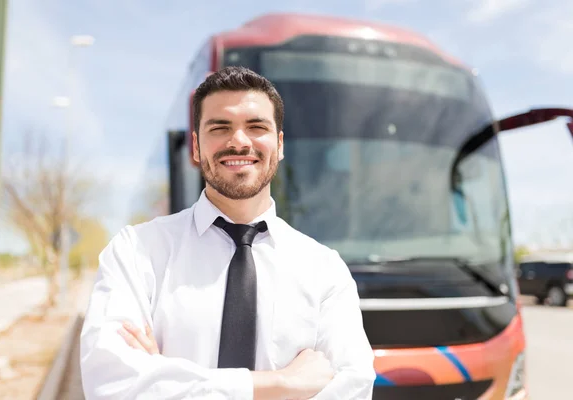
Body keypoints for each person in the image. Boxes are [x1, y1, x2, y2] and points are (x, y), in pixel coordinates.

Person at [79, 66, 375, 400]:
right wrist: (281, 384)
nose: (238, 141)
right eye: (220, 127)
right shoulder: (135, 252)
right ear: (195, 147)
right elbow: (111, 385)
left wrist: (166, 381)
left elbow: (353, 387)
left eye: (256, 127)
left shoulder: (325, 270)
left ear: (278, 145)